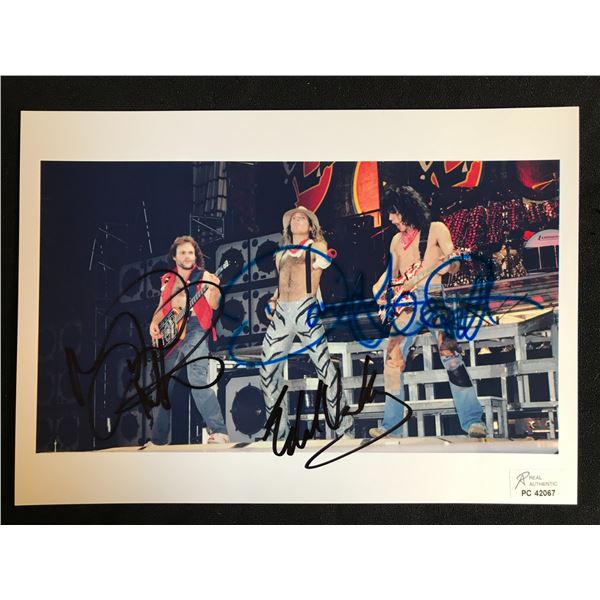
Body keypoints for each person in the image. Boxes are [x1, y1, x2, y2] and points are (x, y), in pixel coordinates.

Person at [370, 185, 487, 438]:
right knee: (392, 362)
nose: (390, 219)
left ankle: (473, 421)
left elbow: (454, 263)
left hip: (433, 297)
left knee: (450, 355)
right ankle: (390, 426)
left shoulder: (436, 229)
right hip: (406, 304)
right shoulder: (395, 241)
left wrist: (449, 265)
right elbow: (392, 272)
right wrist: (378, 287)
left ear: (407, 209)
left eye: (393, 212)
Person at [259, 206, 353, 439]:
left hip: (305, 309)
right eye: (294, 218)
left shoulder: (317, 246)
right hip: (282, 312)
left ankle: (343, 425)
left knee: (324, 367)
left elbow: (322, 262)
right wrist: (273, 300)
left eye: (302, 218)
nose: (297, 220)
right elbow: (282, 283)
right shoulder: (281, 253)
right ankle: (278, 431)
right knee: (267, 368)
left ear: (311, 226)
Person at [148, 235, 230, 444]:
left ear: (196, 256)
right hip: (172, 332)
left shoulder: (204, 276)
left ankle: (219, 431)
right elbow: (162, 306)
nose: (187, 256)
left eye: (191, 253)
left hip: (195, 328)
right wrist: (154, 323)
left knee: (197, 379)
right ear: (175, 257)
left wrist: (214, 289)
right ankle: (158, 440)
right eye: (183, 252)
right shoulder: (168, 279)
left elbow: (214, 304)